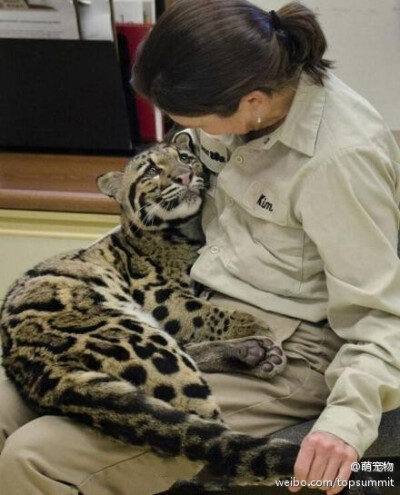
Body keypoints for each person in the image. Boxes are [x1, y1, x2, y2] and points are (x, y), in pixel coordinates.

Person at [0, 1, 399, 494]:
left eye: (199, 123)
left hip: (290, 347)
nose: (190, 137)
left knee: (35, 456)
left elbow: (381, 318)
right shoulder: (243, 96)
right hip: (198, 308)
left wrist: (346, 423)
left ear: (252, 102)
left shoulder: (339, 162)